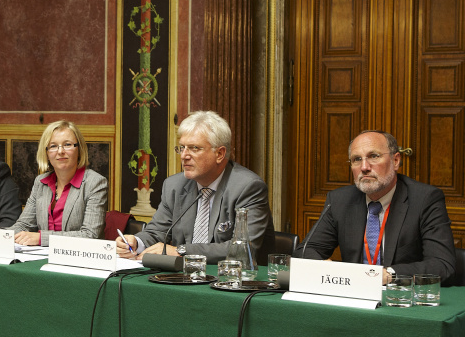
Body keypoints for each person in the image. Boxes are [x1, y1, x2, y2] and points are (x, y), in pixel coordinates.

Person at [295, 130, 455, 284]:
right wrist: (329, 269)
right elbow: (305, 250)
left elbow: (441, 264)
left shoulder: (425, 199)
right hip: (353, 297)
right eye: (357, 159)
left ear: (396, 161)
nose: (364, 167)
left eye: (373, 156)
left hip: (400, 299)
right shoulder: (339, 200)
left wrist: (389, 275)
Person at [115, 111, 274, 263]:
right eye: (182, 148)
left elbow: (242, 248)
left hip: (233, 282)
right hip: (182, 278)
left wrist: (180, 251)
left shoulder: (248, 187)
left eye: (194, 148)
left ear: (219, 154)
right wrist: (136, 242)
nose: (184, 155)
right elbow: (156, 232)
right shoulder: (174, 186)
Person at [10, 121, 107, 246]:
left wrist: (41, 239)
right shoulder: (40, 182)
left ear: (79, 149)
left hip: (79, 259)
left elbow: (90, 235)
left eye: (67, 144)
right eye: (53, 146)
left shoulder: (95, 183)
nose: (60, 151)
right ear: (46, 152)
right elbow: (23, 225)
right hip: (41, 258)